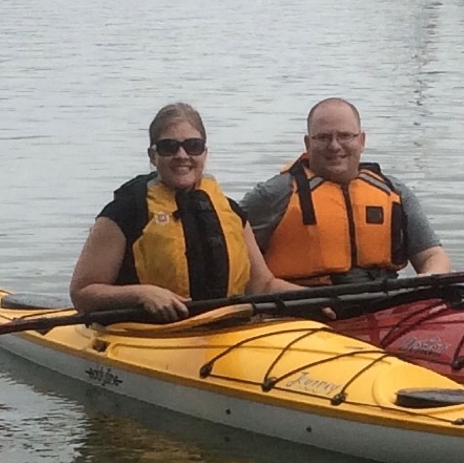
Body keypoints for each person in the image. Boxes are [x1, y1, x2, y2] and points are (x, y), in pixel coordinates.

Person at [70, 102, 300, 321]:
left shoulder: (230, 211)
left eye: (193, 146)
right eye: (169, 147)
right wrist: (142, 293)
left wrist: (322, 298)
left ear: (204, 153)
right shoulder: (125, 212)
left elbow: (263, 286)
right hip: (146, 335)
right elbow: (82, 294)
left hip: (224, 331)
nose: (182, 155)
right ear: (153, 156)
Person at [241, 97, 452, 285]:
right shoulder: (274, 195)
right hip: (302, 308)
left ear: (361, 141)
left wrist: (428, 278)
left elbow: (432, 256)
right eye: (323, 137)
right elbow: (230, 247)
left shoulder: (394, 192)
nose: (334, 146)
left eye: (344, 136)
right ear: (307, 143)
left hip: (382, 305)